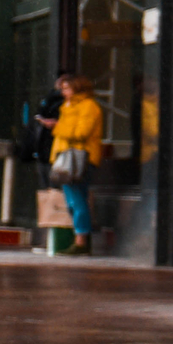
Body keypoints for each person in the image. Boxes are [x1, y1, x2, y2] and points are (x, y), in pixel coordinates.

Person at [49, 71, 106, 254]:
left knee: (76, 200)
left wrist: (57, 127)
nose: (63, 92)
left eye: (66, 88)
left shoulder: (88, 106)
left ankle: (81, 240)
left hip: (79, 158)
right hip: (68, 157)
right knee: (74, 200)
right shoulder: (69, 106)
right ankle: (81, 239)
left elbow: (81, 133)